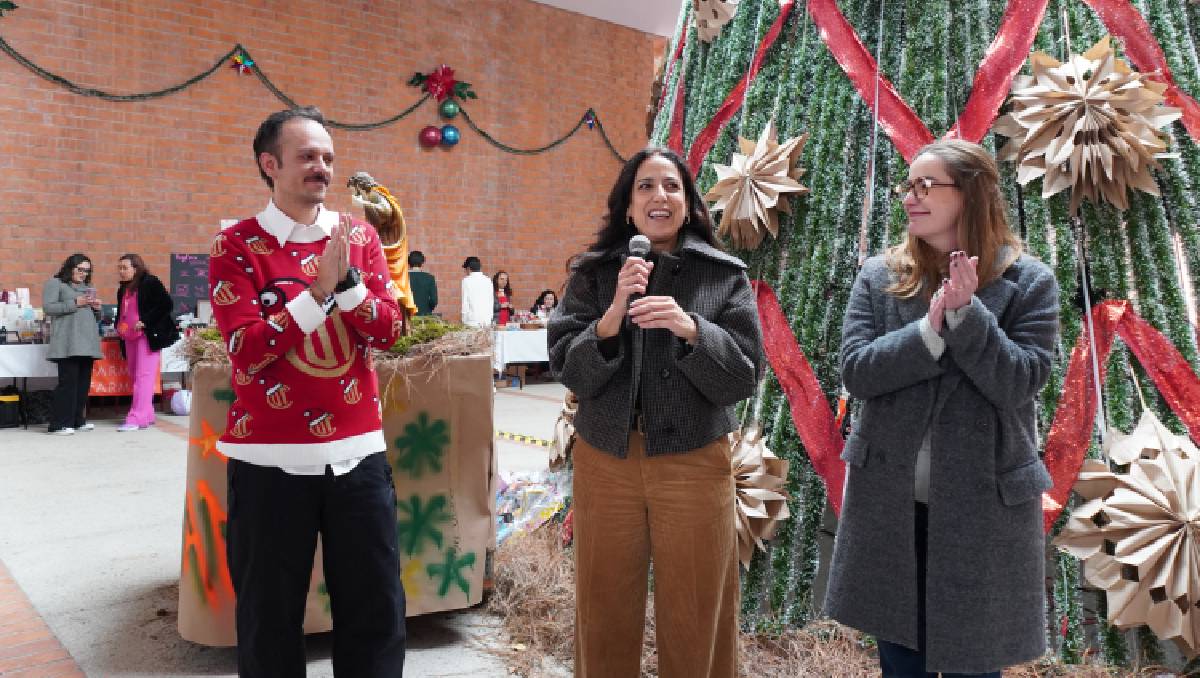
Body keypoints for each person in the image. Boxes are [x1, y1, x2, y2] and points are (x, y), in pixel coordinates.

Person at [824, 139, 1059, 677]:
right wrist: (930, 329)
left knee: (972, 663)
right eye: (908, 185)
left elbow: (1020, 381)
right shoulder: (880, 276)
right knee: (901, 662)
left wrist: (968, 316)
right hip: (892, 506)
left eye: (926, 185)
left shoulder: (1029, 281)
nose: (911, 196)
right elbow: (856, 371)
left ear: (970, 195)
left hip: (981, 513)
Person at [547, 147, 763, 678]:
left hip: (694, 461)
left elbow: (744, 376)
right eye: (645, 186)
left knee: (697, 609)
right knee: (603, 606)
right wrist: (612, 315)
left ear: (688, 205)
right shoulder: (595, 275)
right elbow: (569, 371)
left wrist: (693, 330)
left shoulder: (724, 277)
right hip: (606, 461)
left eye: (671, 186)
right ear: (627, 207)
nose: (658, 197)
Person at [209, 106, 406, 676]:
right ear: (270, 165)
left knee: (375, 612)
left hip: (359, 457)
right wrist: (316, 293)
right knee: (269, 619)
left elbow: (391, 330)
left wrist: (345, 291)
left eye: (327, 157)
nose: (322, 168)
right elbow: (246, 349)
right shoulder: (237, 245)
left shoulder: (360, 237)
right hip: (268, 462)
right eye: (307, 157)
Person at [114, 253, 178, 432]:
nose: (121, 271)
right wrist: (118, 325)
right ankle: (147, 413)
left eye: (125, 268)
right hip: (129, 337)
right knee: (135, 375)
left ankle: (136, 417)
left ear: (136, 268)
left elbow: (166, 304)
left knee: (144, 376)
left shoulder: (150, 282)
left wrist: (146, 321)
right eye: (119, 268)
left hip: (147, 336)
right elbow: (122, 312)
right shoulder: (124, 288)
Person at [42, 254, 102, 435]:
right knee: (68, 384)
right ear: (70, 267)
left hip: (87, 342)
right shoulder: (56, 283)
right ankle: (58, 424)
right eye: (80, 269)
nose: (84, 273)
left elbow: (93, 318)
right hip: (67, 342)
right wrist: (75, 302)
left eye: (87, 270)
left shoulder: (88, 288)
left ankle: (77, 421)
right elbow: (49, 308)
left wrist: (97, 309)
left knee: (83, 384)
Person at [460, 256, 492, 327]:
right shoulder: (488, 280)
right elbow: (491, 301)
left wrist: (463, 320)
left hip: (471, 321)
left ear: (468, 269)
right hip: (486, 321)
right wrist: (489, 319)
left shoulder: (466, 281)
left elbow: (465, 302)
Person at [407, 250, 437, 316]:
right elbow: (434, 300)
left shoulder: (403, 278)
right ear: (422, 263)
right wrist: (428, 309)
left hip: (407, 315)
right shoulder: (430, 278)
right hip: (425, 315)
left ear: (409, 263)